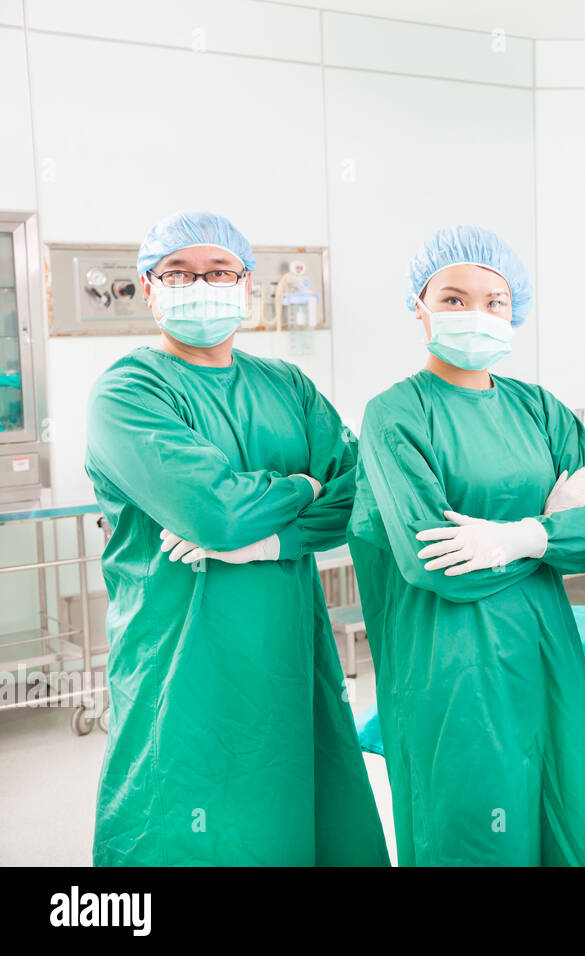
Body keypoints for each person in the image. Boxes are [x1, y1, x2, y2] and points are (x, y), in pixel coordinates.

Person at [85, 210, 388, 866]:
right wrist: (302, 485)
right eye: (179, 273)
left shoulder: (288, 386)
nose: (201, 285)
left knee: (296, 808)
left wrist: (275, 541)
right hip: (182, 653)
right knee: (183, 818)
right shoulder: (127, 392)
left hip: (286, 647)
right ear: (148, 288)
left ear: (247, 284)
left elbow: (358, 492)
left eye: (219, 271)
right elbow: (214, 513)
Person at [346, 225, 585, 866]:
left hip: (547, 653)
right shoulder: (396, 414)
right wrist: (548, 531)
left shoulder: (540, 409)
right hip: (450, 665)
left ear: (513, 310)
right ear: (418, 305)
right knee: (474, 831)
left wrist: (519, 536)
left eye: (494, 300)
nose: (476, 313)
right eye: (453, 298)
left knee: (573, 823)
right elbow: (436, 561)